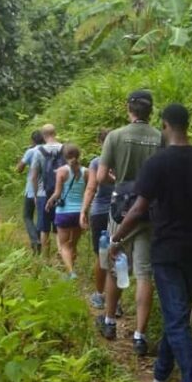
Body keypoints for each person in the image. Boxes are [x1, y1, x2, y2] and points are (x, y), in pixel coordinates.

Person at [109, 103, 192, 382]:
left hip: (166, 249)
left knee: (176, 317)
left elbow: (138, 208)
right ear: (187, 124)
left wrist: (117, 238)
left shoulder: (157, 164)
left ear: (165, 125)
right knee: (179, 313)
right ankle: (161, 373)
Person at [96, 90, 162, 356]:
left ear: (129, 109)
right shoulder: (161, 138)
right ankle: (139, 336)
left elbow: (101, 177)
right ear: (151, 111)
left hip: (122, 209)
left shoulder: (115, 136)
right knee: (145, 273)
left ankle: (110, 321)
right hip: (151, 210)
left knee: (116, 265)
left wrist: (120, 182)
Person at [80, 128, 114, 308]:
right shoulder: (123, 161)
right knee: (117, 255)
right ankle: (115, 300)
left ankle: (100, 295)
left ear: (101, 143)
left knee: (101, 255)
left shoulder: (96, 163)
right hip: (121, 212)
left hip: (100, 212)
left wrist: (83, 210)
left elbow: (91, 188)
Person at [46, 144, 88, 278]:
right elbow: (88, 191)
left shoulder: (62, 171)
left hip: (63, 212)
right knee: (73, 244)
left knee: (64, 245)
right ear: (79, 155)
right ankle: (72, 268)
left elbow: (57, 193)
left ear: (64, 156)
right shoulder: (86, 172)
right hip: (79, 213)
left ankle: (71, 272)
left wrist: (49, 202)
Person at [30, 124, 63, 257]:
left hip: (43, 194)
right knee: (59, 228)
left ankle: (46, 259)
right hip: (60, 194)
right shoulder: (64, 149)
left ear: (43, 136)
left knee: (44, 229)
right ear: (55, 133)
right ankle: (62, 257)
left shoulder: (39, 151)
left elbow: (33, 176)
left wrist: (35, 194)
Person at [16, 130, 45, 254]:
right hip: (45, 190)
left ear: (33, 140)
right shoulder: (47, 150)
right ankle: (38, 243)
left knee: (27, 216)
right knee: (39, 217)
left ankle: (35, 240)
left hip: (31, 190)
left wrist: (24, 155)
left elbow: (19, 169)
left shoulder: (31, 151)